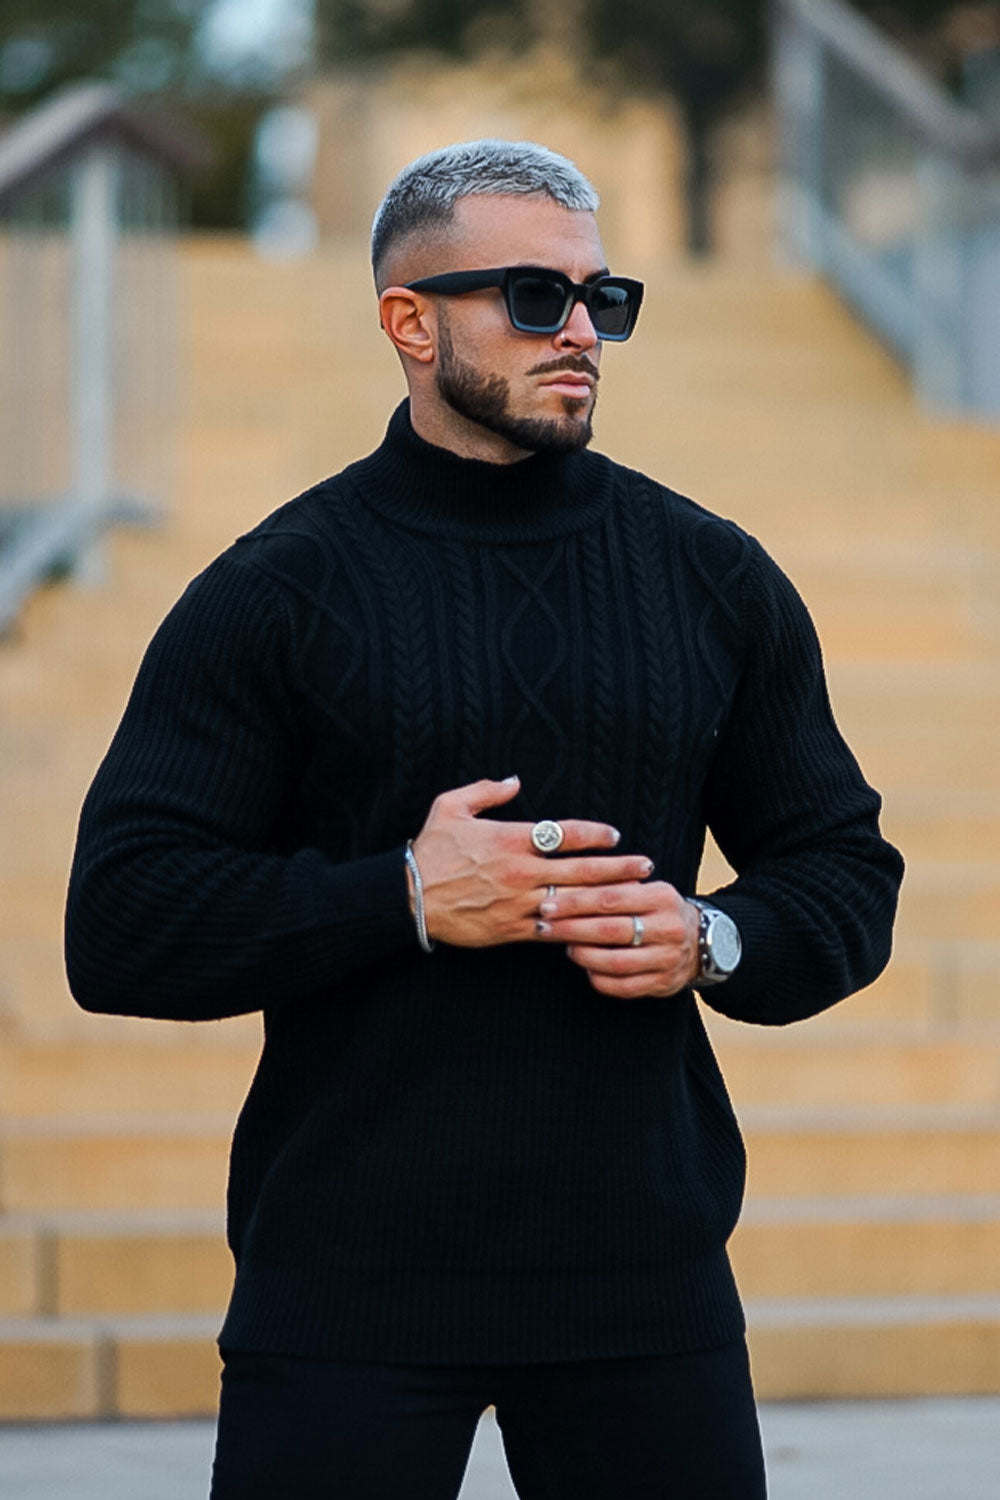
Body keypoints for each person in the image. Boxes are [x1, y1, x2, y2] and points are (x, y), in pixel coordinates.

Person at [65, 139, 903, 1499]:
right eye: (532, 295)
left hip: (646, 1287)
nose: (579, 332)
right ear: (409, 322)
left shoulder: (714, 577)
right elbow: (119, 922)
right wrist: (400, 895)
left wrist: (712, 938)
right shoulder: (274, 590)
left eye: (601, 298)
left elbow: (843, 866)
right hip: (345, 1291)